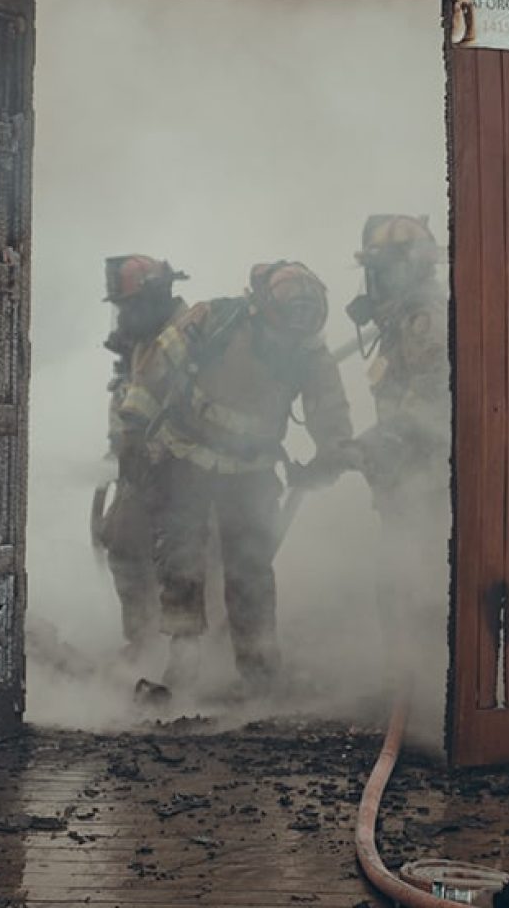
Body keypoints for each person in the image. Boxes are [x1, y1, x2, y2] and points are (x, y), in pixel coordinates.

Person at [119, 261, 355, 696]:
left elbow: (331, 410)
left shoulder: (307, 350)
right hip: (186, 460)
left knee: (251, 572)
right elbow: (155, 367)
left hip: (251, 473)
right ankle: (184, 662)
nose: (291, 333)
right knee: (182, 563)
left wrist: (332, 455)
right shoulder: (215, 319)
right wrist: (132, 430)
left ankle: (261, 672)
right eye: (288, 319)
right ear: (263, 307)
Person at [347, 215, 450, 738]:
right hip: (405, 478)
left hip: (429, 481)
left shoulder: (424, 318)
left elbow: (434, 395)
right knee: (396, 579)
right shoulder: (401, 320)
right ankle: (405, 682)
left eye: (383, 270)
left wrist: (383, 440)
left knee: (420, 579)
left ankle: (429, 693)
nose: (375, 281)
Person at [93, 255, 188, 661]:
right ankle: (145, 642)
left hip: (186, 471)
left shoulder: (187, 337)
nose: (123, 316)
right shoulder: (142, 341)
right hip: (142, 473)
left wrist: (154, 451)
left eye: (129, 306)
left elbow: (195, 410)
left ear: (154, 297)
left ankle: (191, 651)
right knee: (124, 540)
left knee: (187, 559)